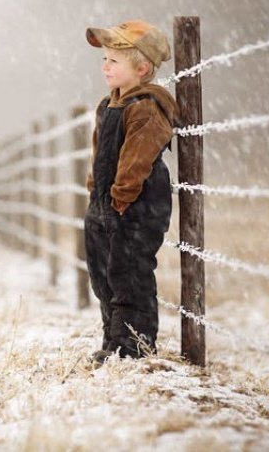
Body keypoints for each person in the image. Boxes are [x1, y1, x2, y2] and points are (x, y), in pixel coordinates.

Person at [83, 19, 180, 365]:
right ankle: (112, 340)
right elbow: (100, 154)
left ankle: (133, 346)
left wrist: (121, 199)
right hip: (104, 205)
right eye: (104, 59)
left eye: (114, 61)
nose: (105, 66)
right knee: (102, 275)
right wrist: (96, 195)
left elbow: (136, 159)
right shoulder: (106, 106)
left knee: (129, 273)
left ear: (141, 68)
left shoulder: (147, 108)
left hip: (135, 206)